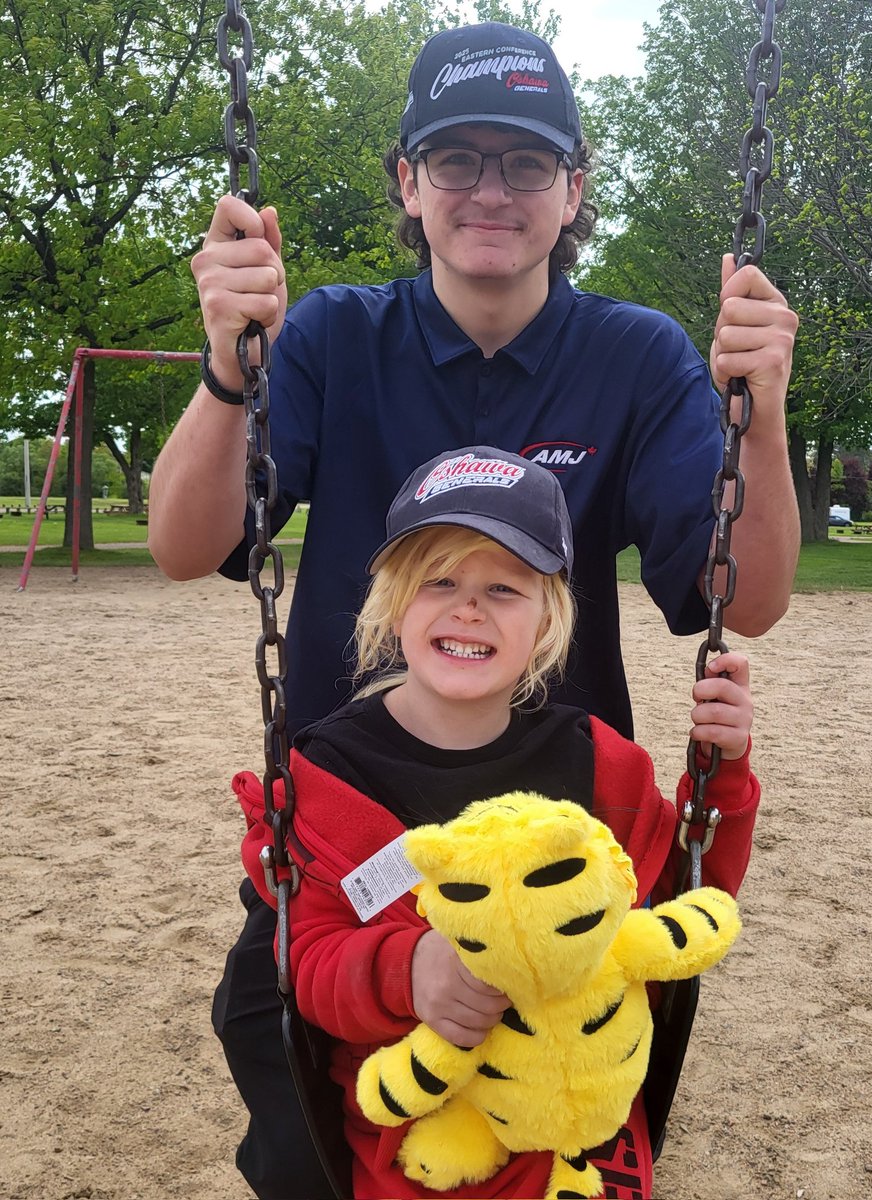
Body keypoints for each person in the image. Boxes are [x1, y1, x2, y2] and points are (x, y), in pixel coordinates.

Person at [146, 20, 798, 1198]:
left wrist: (766, 409)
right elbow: (187, 546)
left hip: (559, 819)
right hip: (348, 818)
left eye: (527, 162)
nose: (490, 189)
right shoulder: (336, 337)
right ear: (409, 180)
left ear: (573, 189)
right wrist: (228, 366)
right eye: (457, 159)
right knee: (296, 1090)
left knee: (562, 1128)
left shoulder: (637, 357)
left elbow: (743, 604)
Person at [233, 445, 759, 1200]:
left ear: (550, 614)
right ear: (392, 602)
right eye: (437, 580)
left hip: (576, 1143)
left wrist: (726, 770)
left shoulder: (599, 764)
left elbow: (686, 890)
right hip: (418, 1149)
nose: (468, 608)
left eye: (505, 588)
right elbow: (305, 962)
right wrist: (409, 971)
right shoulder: (327, 777)